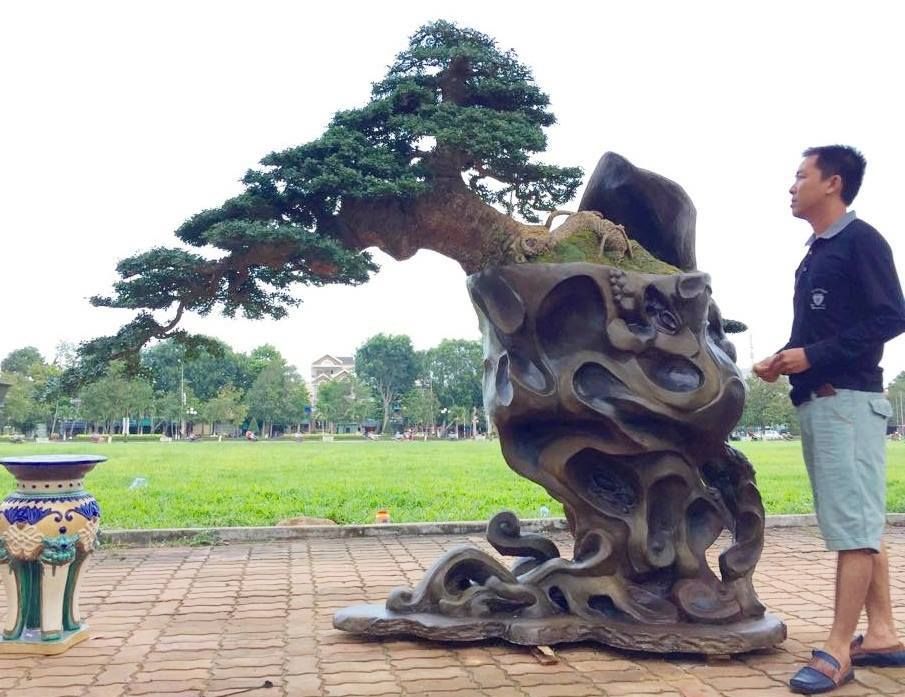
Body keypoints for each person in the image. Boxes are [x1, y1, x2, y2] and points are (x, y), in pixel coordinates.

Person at [754, 146, 905, 694]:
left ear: (832, 183)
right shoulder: (816, 251)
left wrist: (813, 357)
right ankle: (883, 633)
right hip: (821, 400)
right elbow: (818, 333)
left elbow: (893, 315)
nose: (791, 186)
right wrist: (782, 359)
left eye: (800, 176)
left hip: (847, 401)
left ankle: (839, 650)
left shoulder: (861, 240)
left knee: (855, 531)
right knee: (858, 523)